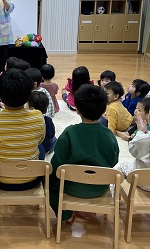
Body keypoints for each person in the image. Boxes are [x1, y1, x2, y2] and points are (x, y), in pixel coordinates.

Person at [49, 84, 119, 223]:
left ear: (78, 110)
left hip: (71, 188)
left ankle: (66, 215)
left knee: (48, 180)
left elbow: (57, 164)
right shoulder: (109, 135)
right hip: (99, 187)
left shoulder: (69, 133)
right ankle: (88, 209)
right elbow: (113, 161)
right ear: (103, 109)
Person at [0, 69, 45, 190]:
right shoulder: (37, 116)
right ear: (29, 96)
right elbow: (40, 140)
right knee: (40, 147)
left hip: (0, 180)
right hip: (32, 178)